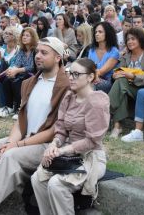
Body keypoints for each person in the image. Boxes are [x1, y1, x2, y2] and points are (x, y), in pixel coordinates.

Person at [0, 36, 69, 215]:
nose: (38, 56)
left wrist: (15, 146)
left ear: (58, 58)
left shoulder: (66, 86)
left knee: (10, 157)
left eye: (44, 53)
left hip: (47, 145)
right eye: (37, 52)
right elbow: (21, 120)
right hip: (25, 138)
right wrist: (10, 142)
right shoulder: (30, 82)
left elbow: (54, 131)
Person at [31, 58, 109, 215]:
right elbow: (61, 129)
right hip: (68, 155)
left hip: (90, 156)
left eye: (76, 74)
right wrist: (54, 144)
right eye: (69, 73)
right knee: (37, 179)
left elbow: (93, 140)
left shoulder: (97, 101)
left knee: (56, 184)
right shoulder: (69, 97)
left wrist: (62, 151)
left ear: (90, 77)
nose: (71, 77)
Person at [108, 28, 144, 138]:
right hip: (125, 87)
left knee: (122, 82)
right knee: (121, 86)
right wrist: (114, 75)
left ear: (140, 40)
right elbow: (118, 71)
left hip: (142, 89)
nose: (129, 42)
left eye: (133, 39)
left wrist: (133, 76)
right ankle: (117, 126)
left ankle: (107, 107)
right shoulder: (125, 56)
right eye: (128, 39)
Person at [0, 27, 38, 119]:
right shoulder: (21, 50)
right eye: (23, 35)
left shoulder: (35, 50)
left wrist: (16, 70)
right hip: (22, 73)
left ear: (33, 38)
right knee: (7, 79)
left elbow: (31, 67)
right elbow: (17, 64)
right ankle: (9, 107)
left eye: (27, 36)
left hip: (33, 74)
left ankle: (19, 108)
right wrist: (12, 71)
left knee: (17, 82)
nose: (24, 37)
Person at [88, 22, 119, 93]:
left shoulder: (114, 51)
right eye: (95, 32)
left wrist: (87, 77)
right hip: (92, 77)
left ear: (107, 34)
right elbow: (88, 67)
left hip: (107, 81)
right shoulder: (92, 50)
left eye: (100, 32)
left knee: (89, 84)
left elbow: (102, 72)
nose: (96, 34)